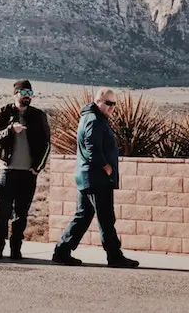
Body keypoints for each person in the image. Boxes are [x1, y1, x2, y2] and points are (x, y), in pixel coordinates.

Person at [52, 88, 139, 268]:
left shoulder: (93, 118)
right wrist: (106, 167)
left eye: (114, 104)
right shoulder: (94, 120)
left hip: (89, 177)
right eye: (108, 103)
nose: (112, 107)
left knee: (83, 216)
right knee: (106, 218)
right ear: (98, 101)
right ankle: (114, 256)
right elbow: (91, 147)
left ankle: (62, 251)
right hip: (97, 178)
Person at [0, 79, 51, 260]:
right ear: (15, 94)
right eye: (23, 93)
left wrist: (37, 168)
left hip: (28, 173)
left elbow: (47, 143)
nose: (27, 97)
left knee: (21, 214)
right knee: (2, 213)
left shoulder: (39, 116)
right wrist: (10, 130)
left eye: (30, 94)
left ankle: (16, 249)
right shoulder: (2, 112)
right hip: (7, 170)